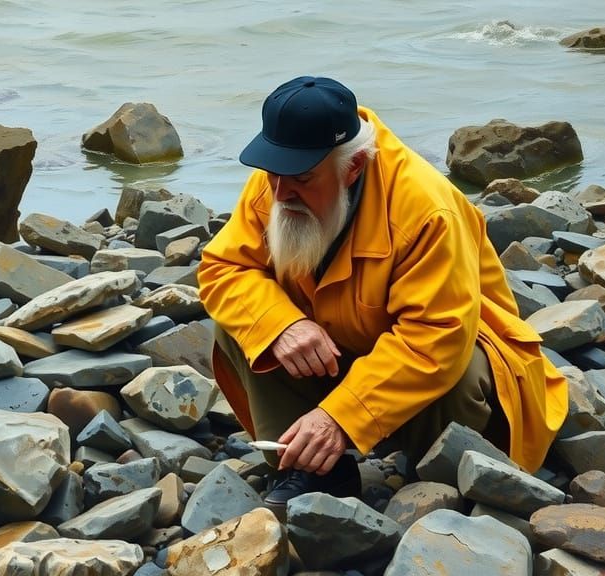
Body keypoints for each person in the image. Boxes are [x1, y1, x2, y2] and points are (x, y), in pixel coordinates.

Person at [197, 76, 569, 512]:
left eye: (299, 178)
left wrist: (341, 415)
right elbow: (224, 267)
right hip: (350, 352)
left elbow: (437, 337)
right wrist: (284, 324)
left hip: (444, 371)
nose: (280, 193)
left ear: (352, 166)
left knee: (461, 371)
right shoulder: (281, 178)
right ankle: (312, 468)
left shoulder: (426, 208)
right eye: (272, 173)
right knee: (246, 326)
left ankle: (451, 476)